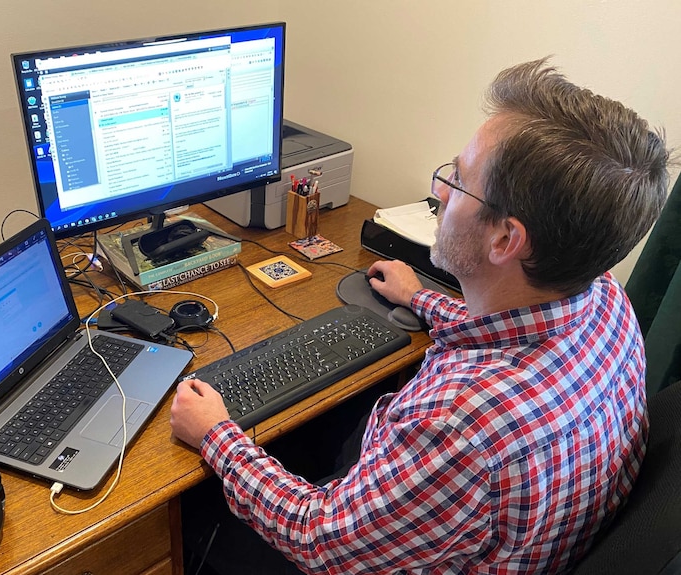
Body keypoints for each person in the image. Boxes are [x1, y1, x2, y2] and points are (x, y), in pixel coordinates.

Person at [170, 57, 671, 574]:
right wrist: (419, 298)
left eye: (458, 179)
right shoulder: (605, 299)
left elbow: (315, 536)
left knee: (193, 513)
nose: (440, 192)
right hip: (500, 530)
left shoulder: (464, 425)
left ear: (506, 239)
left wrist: (216, 436)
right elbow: (505, 335)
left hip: (356, 546)